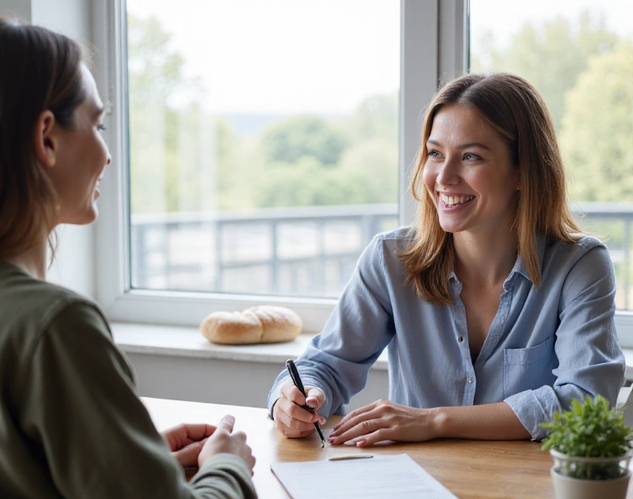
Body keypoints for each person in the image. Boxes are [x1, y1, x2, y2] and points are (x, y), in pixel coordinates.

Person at [0, 17, 256, 498]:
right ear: (46, 137)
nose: (108, 154)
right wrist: (227, 467)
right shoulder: (52, 326)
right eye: (98, 123)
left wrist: (128, 456)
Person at [268, 72, 626, 446]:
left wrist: (435, 421)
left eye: (470, 156)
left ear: (522, 171)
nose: (444, 176)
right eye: (435, 153)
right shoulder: (390, 260)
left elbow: (586, 399)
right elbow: (324, 365)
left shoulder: (579, 266)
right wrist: (293, 398)